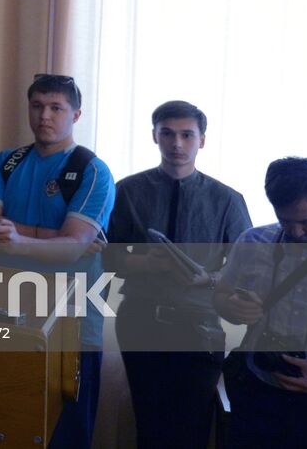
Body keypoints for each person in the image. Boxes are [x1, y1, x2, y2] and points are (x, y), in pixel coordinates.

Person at [0, 73, 115, 449]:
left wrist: (18, 239)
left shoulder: (93, 171)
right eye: (37, 106)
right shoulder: (7, 161)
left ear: (76, 114)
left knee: (67, 433)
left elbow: (73, 249)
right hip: (10, 311)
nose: (44, 116)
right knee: (7, 428)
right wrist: (52, 236)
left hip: (75, 323)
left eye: (56, 108)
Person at [105, 100, 251, 449]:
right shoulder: (127, 191)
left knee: (193, 427)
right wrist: (143, 264)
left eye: (187, 134)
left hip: (198, 325)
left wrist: (211, 279)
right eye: (167, 134)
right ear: (154, 136)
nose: (177, 143)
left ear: (202, 140)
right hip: (140, 320)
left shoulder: (227, 200)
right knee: (149, 423)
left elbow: (249, 268)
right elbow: (105, 257)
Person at [214, 157, 307, 447]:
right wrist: (230, 306)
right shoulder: (253, 241)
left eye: (306, 221)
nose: (296, 233)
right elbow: (220, 296)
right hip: (260, 395)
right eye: (285, 221)